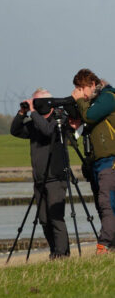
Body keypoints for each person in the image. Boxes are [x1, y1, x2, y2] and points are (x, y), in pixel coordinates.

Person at [10, 88, 70, 259]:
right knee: (44, 219)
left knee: (56, 218)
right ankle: (55, 251)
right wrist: (22, 113)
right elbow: (15, 131)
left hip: (55, 176)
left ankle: (62, 254)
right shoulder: (35, 123)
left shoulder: (59, 119)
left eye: (38, 102)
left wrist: (34, 112)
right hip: (39, 178)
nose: (35, 106)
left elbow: (48, 131)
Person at [71, 69, 115, 254]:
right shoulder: (94, 103)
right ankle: (111, 244)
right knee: (103, 203)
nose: (82, 94)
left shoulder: (108, 97)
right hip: (97, 162)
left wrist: (80, 102)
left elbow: (89, 115)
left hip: (110, 160)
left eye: (82, 89)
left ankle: (104, 244)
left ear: (92, 85)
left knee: (107, 202)